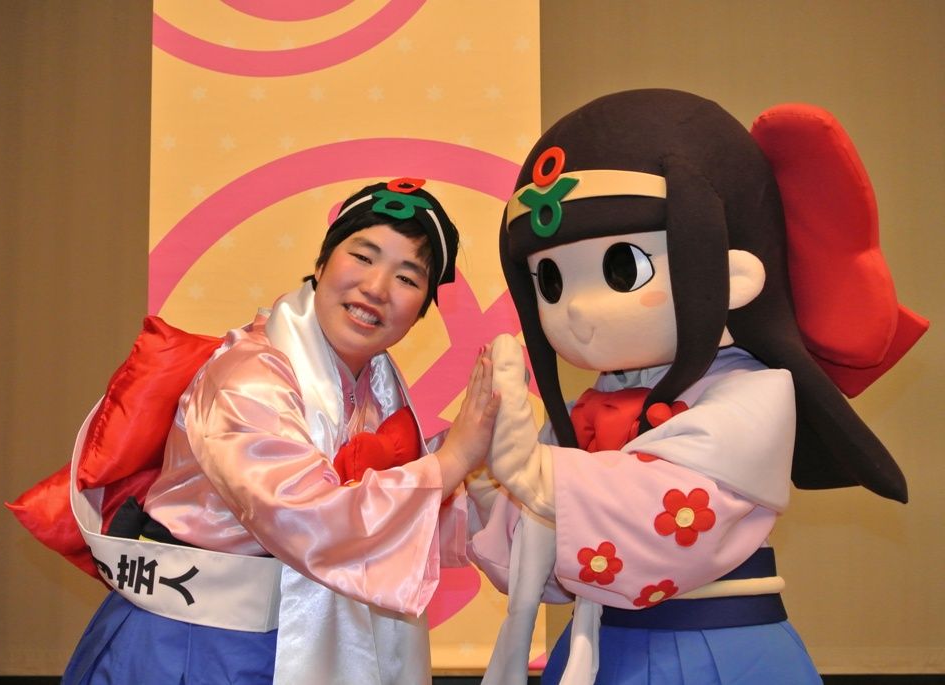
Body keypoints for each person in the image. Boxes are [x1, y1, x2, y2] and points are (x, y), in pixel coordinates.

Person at [469, 90, 926, 684]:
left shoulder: (753, 394)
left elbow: (670, 516)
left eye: (622, 268)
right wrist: (482, 476)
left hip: (718, 651)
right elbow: (544, 569)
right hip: (601, 647)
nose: (575, 309)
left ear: (734, 273)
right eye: (551, 282)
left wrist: (532, 473)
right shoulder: (594, 407)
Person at [62, 179, 500, 684]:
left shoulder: (376, 390)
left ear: (422, 311)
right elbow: (306, 515)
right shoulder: (249, 376)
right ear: (322, 263)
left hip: (281, 638)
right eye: (362, 256)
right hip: (193, 642)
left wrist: (504, 481)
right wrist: (451, 462)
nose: (376, 288)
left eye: (406, 278)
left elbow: (409, 521)